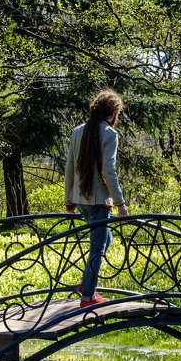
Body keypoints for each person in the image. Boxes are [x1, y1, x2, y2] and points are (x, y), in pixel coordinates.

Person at [64, 89, 128, 308]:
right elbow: (108, 171)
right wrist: (120, 202)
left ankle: (84, 285)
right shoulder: (110, 134)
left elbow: (70, 168)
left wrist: (69, 199)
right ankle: (87, 298)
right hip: (100, 202)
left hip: (80, 200)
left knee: (104, 240)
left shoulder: (77, 131)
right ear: (113, 113)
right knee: (97, 250)